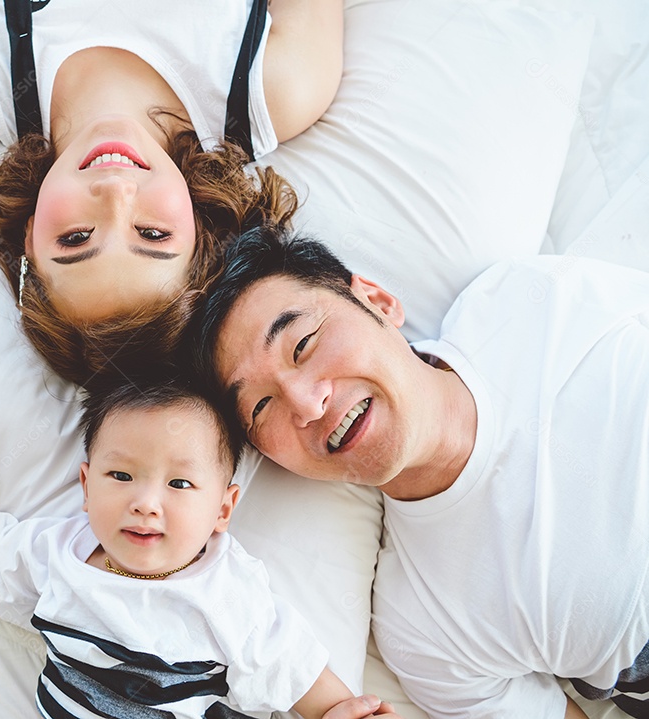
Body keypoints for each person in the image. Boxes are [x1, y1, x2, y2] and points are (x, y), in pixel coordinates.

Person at [188, 224, 649, 719]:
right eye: (260, 408)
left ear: (379, 302)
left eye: (302, 344)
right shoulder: (421, 631)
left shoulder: (523, 300)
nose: (307, 403)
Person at [0, 0, 342, 385]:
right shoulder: (278, 87)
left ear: (29, 237)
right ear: (202, 235)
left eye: (76, 238)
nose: (116, 191)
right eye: (152, 234)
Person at [0, 379, 402, 719]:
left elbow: (296, 671)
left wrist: (344, 711)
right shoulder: (60, 552)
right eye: (121, 476)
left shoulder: (228, 590)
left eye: (180, 484)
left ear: (223, 510)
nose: (145, 503)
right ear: (87, 485)